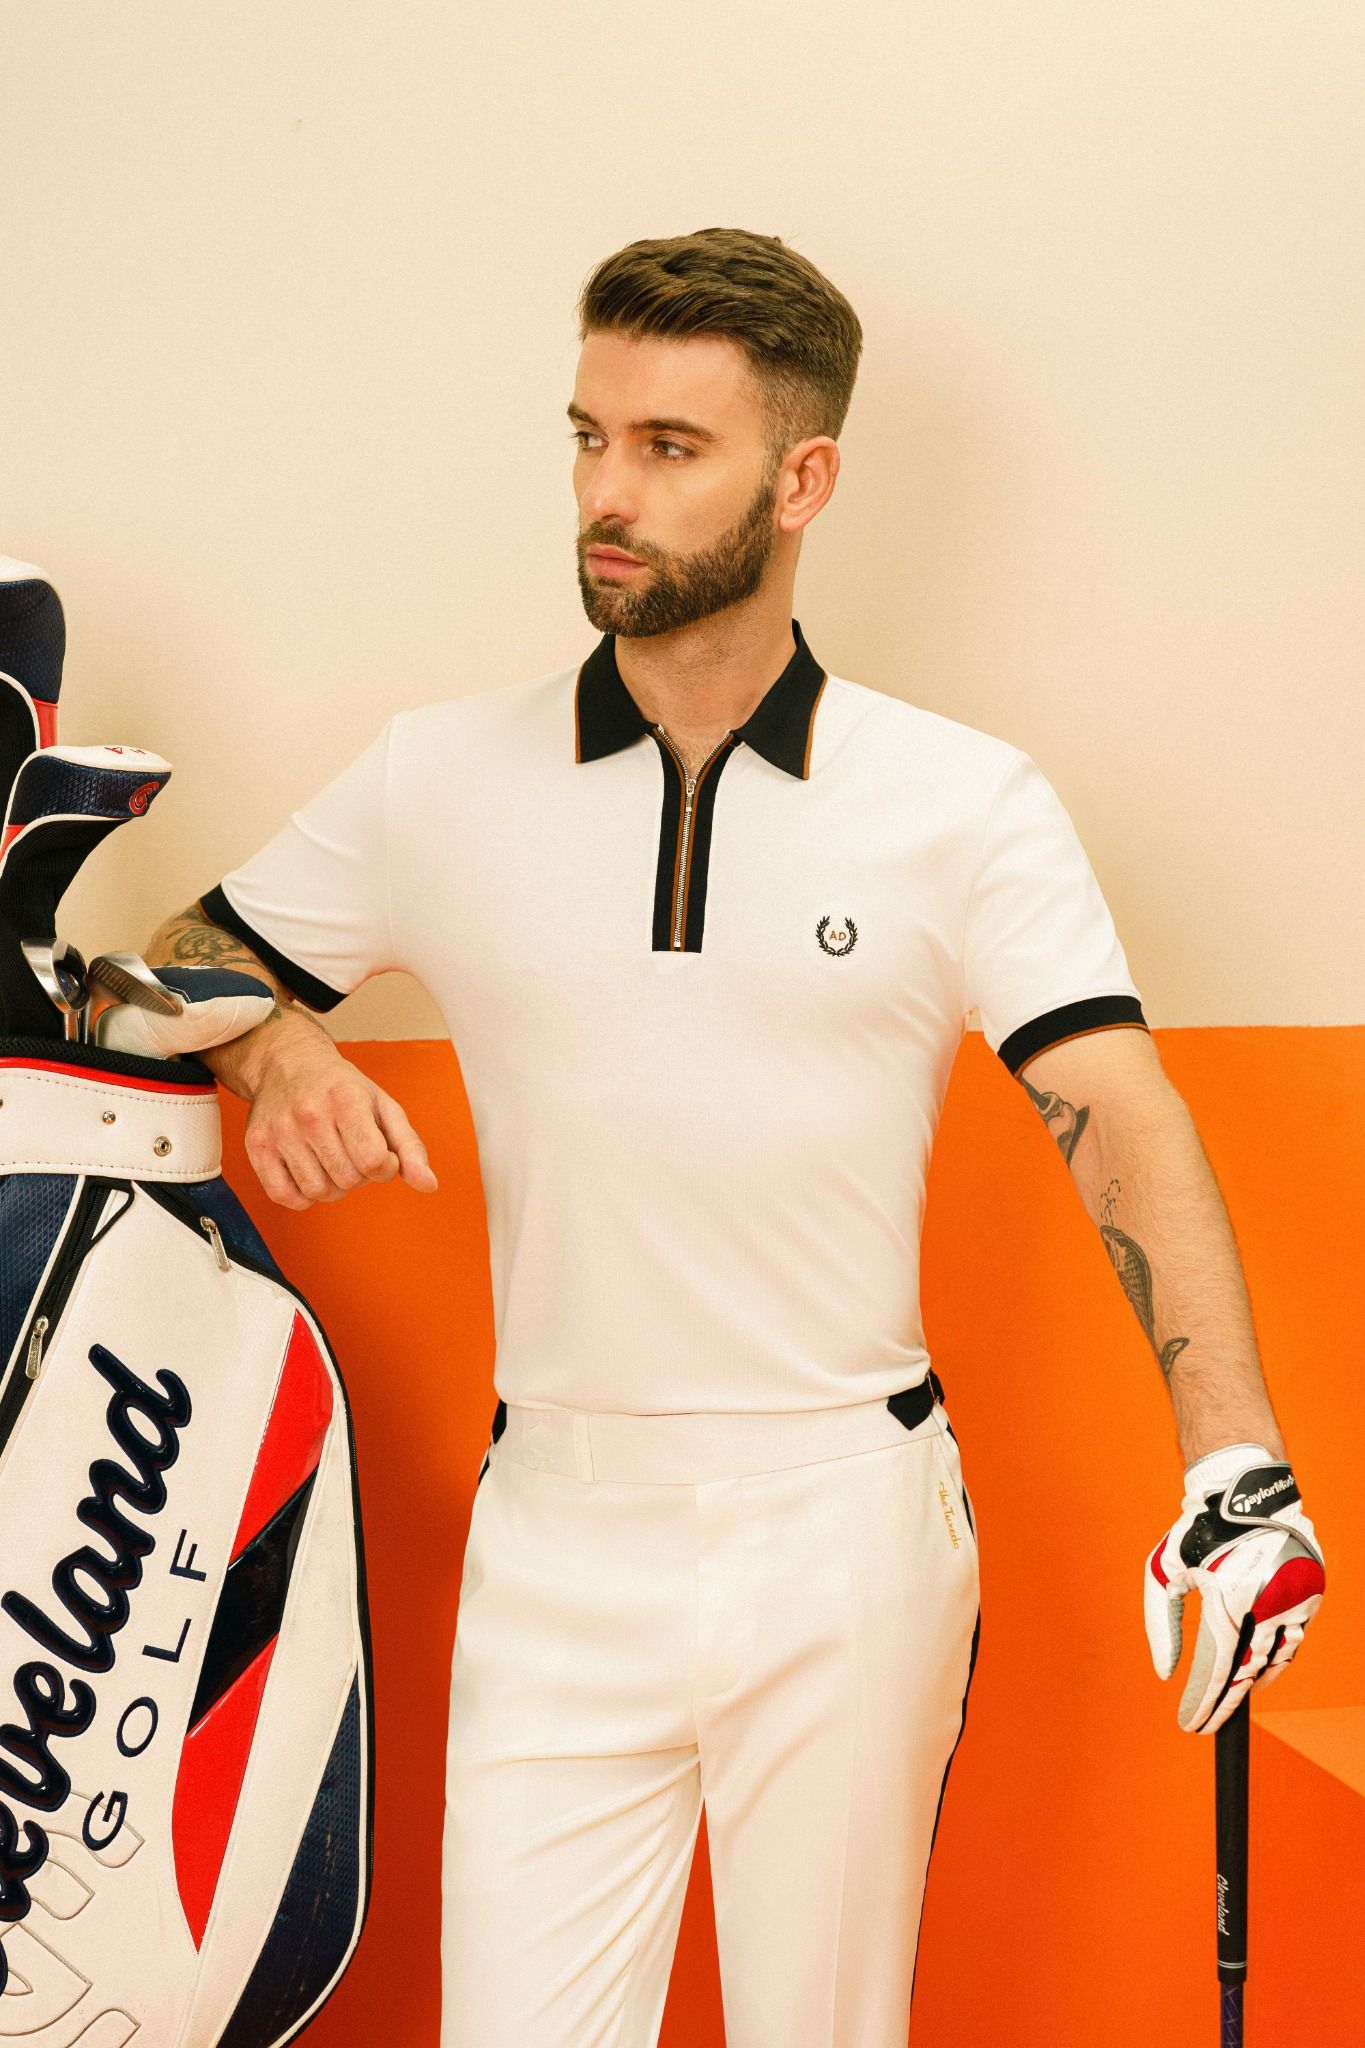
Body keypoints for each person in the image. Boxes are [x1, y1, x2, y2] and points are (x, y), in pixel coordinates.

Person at [144, 227, 1324, 2048]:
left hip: (843, 1522)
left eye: (667, 448)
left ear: (802, 480)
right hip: (554, 1523)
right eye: (587, 436)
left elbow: (1114, 1110)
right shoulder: (436, 776)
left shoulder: (958, 801)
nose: (603, 495)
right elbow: (177, 955)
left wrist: (1233, 1466)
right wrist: (274, 1040)